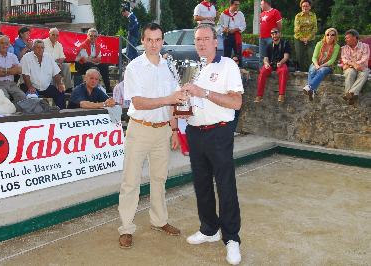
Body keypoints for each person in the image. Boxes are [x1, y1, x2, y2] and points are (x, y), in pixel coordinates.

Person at [118, 22, 186, 249]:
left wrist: (175, 129)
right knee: (131, 181)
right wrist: (169, 100)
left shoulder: (169, 67)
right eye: (150, 40)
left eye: (158, 40)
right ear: (143, 41)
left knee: (159, 179)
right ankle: (126, 228)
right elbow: (138, 102)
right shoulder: (134, 68)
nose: (154, 44)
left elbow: (175, 101)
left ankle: (159, 221)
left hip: (163, 131)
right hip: (139, 129)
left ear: (162, 40)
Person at [182, 24, 243, 265]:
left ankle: (232, 238)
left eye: (206, 39)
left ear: (215, 41)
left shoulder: (227, 65)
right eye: (198, 40)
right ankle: (209, 229)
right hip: (195, 132)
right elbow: (185, 100)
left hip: (219, 132)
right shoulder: (191, 68)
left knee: (225, 185)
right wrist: (181, 111)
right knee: (202, 184)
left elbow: (236, 102)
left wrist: (203, 92)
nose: (201, 43)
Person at [21, 40, 66, 109]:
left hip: (46, 87)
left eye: (42, 48)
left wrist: (59, 84)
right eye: (38, 47)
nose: (40, 49)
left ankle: (61, 113)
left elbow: (56, 73)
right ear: (33, 48)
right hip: (30, 86)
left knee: (60, 92)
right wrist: (30, 87)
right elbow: (25, 75)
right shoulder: (26, 57)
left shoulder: (48, 57)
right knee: (31, 100)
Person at [302, 28, 339, 101]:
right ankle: (312, 91)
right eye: (328, 34)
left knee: (321, 70)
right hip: (317, 63)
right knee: (312, 69)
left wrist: (321, 66)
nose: (330, 36)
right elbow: (314, 57)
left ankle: (309, 87)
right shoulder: (319, 44)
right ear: (325, 35)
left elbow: (332, 60)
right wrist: (316, 65)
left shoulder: (336, 46)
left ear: (335, 36)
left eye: (332, 35)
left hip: (328, 66)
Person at [255, 28, 290, 103]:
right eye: (272, 34)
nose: (274, 35)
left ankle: (281, 95)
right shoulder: (269, 45)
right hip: (271, 64)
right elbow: (265, 58)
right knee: (263, 71)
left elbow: (286, 57)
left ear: (279, 33)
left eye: (275, 33)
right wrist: (266, 63)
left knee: (284, 70)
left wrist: (280, 62)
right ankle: (259, 95)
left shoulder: (285, 43)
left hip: (281, 63)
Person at [0, 35, 25, 103]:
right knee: (5, 98)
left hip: (11, 84)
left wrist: (2, 70)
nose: (5, 45)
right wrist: (12, 70)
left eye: (7, 44)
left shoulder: (13, 56)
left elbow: (19, 70)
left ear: (9, 45)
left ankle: (16, 112)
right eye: (2, 43)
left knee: (22, 97)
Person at [341, 29, 370, 105]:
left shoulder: (365, 47)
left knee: (365, 73)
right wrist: (354, 65)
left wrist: (350, 64)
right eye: (345, 38)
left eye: (347, 38)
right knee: (350, 72)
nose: (345, 40)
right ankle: (353, 95)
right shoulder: (344, 48)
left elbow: (364, 59)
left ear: (354, 38)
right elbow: (344, 59)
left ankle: (350, 94)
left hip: (362, 68)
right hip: (350, 68)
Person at [219, 0, 246, 66]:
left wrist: (235, 29)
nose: (237, 6)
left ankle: (239, 70)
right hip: (227, 36)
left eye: (238, 4)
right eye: (236, 4)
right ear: (231, 5)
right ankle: (226, 70)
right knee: (227, 55)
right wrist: (224, 29)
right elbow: (219, 25)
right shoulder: (224, 14)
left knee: (238, 54)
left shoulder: (240, 14)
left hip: (237, 36)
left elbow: (244, 25)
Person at [294, 0, 317, 72]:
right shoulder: (298, 16)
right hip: (299, 39)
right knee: (300, 57)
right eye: (303, 6)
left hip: (310, 39)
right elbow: (297, 29)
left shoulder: (313, 15)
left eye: (307, 6)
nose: (305, 7)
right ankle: (301, 72)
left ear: (310, 7)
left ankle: (311, 71)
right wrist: (303, 38)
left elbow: (315, 28)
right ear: (301, 7)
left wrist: (308, 38)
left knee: (311, 55)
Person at [259, 0, 282, 66]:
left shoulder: (275, 12)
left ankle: (272, 71)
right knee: (262, 56)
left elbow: (279, 25)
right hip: (262, 38)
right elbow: (261, 25)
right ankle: (261, 72)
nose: (260, 6)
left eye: (261, 4)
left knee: (271, 56)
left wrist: (276, 35)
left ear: (266, 3)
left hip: (271, 38)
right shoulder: (262, 14)